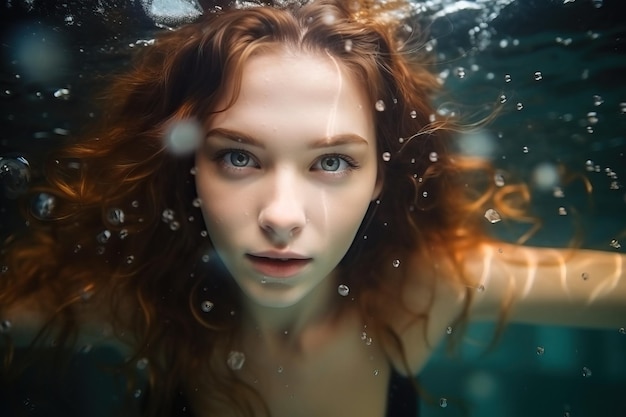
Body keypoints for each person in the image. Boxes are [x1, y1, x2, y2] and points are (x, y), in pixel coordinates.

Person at [1, 0, 624, 416]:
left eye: (332, 163)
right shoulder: (131, 304)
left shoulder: (423, 290)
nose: (281, 215)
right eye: (239, 158)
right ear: (188, 166)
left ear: (382, 175)